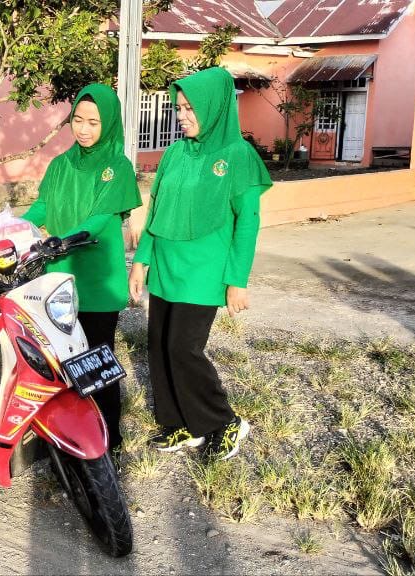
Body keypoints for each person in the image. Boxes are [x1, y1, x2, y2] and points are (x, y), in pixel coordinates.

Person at [128, 67, 272, 462]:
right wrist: (141, 261)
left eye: (191, 108)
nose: (182, 116)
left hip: (204, 270)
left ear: (214, 107)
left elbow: (248, 223)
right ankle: (180, 424)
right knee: (159, 346)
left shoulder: (238, 155)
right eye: (179, 108)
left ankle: (224, 422)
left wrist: (237, 280)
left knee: (184, 349)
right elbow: (157, 211)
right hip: (166, 267)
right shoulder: (175, 153)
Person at [21, 83, 141, 445]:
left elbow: (102, 217)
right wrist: (17, 226)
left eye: (93, 122)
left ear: (109, 124)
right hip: (59, 277)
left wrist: (65, 239)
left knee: (97, 362)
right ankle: (64, 436)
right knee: (58, 359)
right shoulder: (61, 164)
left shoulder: (117, 167)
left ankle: (107, 440)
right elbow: (43, 206)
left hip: (97, 280)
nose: (84, 129)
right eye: (78, 120)